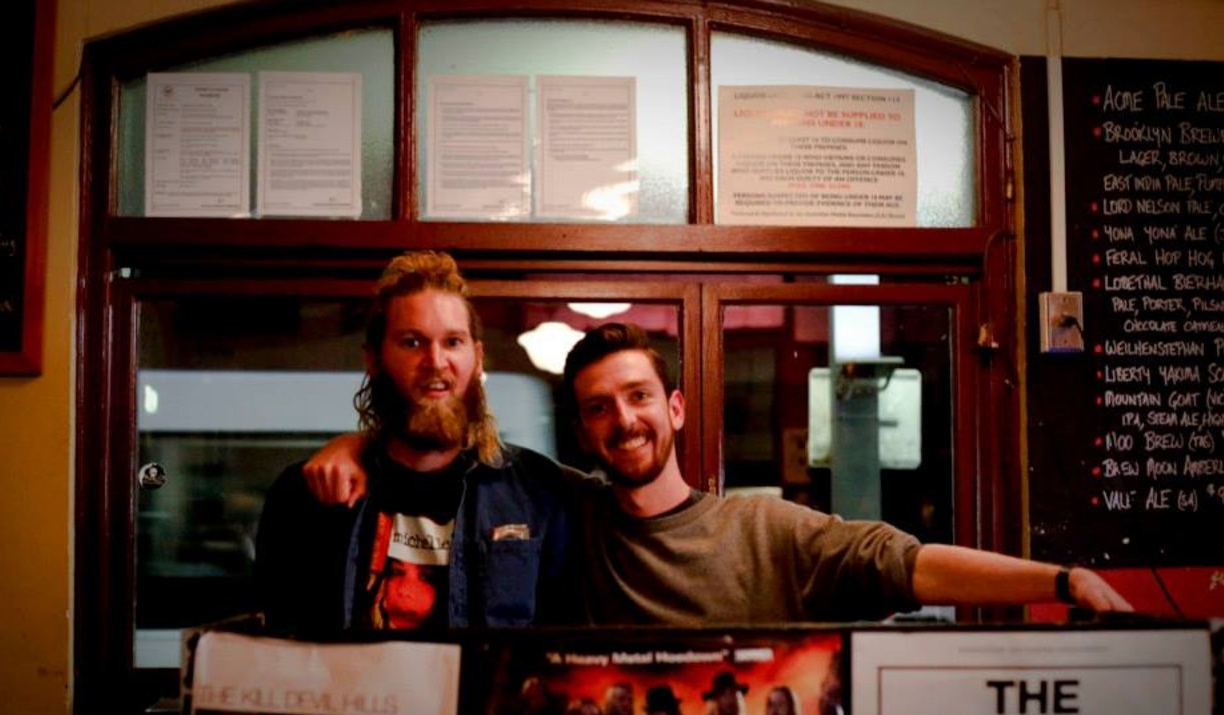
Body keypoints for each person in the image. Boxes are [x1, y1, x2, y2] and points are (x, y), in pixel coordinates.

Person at [304, 321, 1134, 624]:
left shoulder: (764, 531)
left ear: (676, 409)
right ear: (584, 430)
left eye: (636, 398)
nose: (621, 420)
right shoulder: (565, 508)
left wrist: (1058, 580)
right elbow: (441, 444)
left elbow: (906, 563)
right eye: (598, 407)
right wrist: (357, 446)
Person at [253, 250, 577, 635]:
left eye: (453, 342)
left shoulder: (537, 492)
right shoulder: (306, 494)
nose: (435, 361)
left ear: (477, 357)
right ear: (374, 359)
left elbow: (561, 648)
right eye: (412, 342)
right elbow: (277, 653)